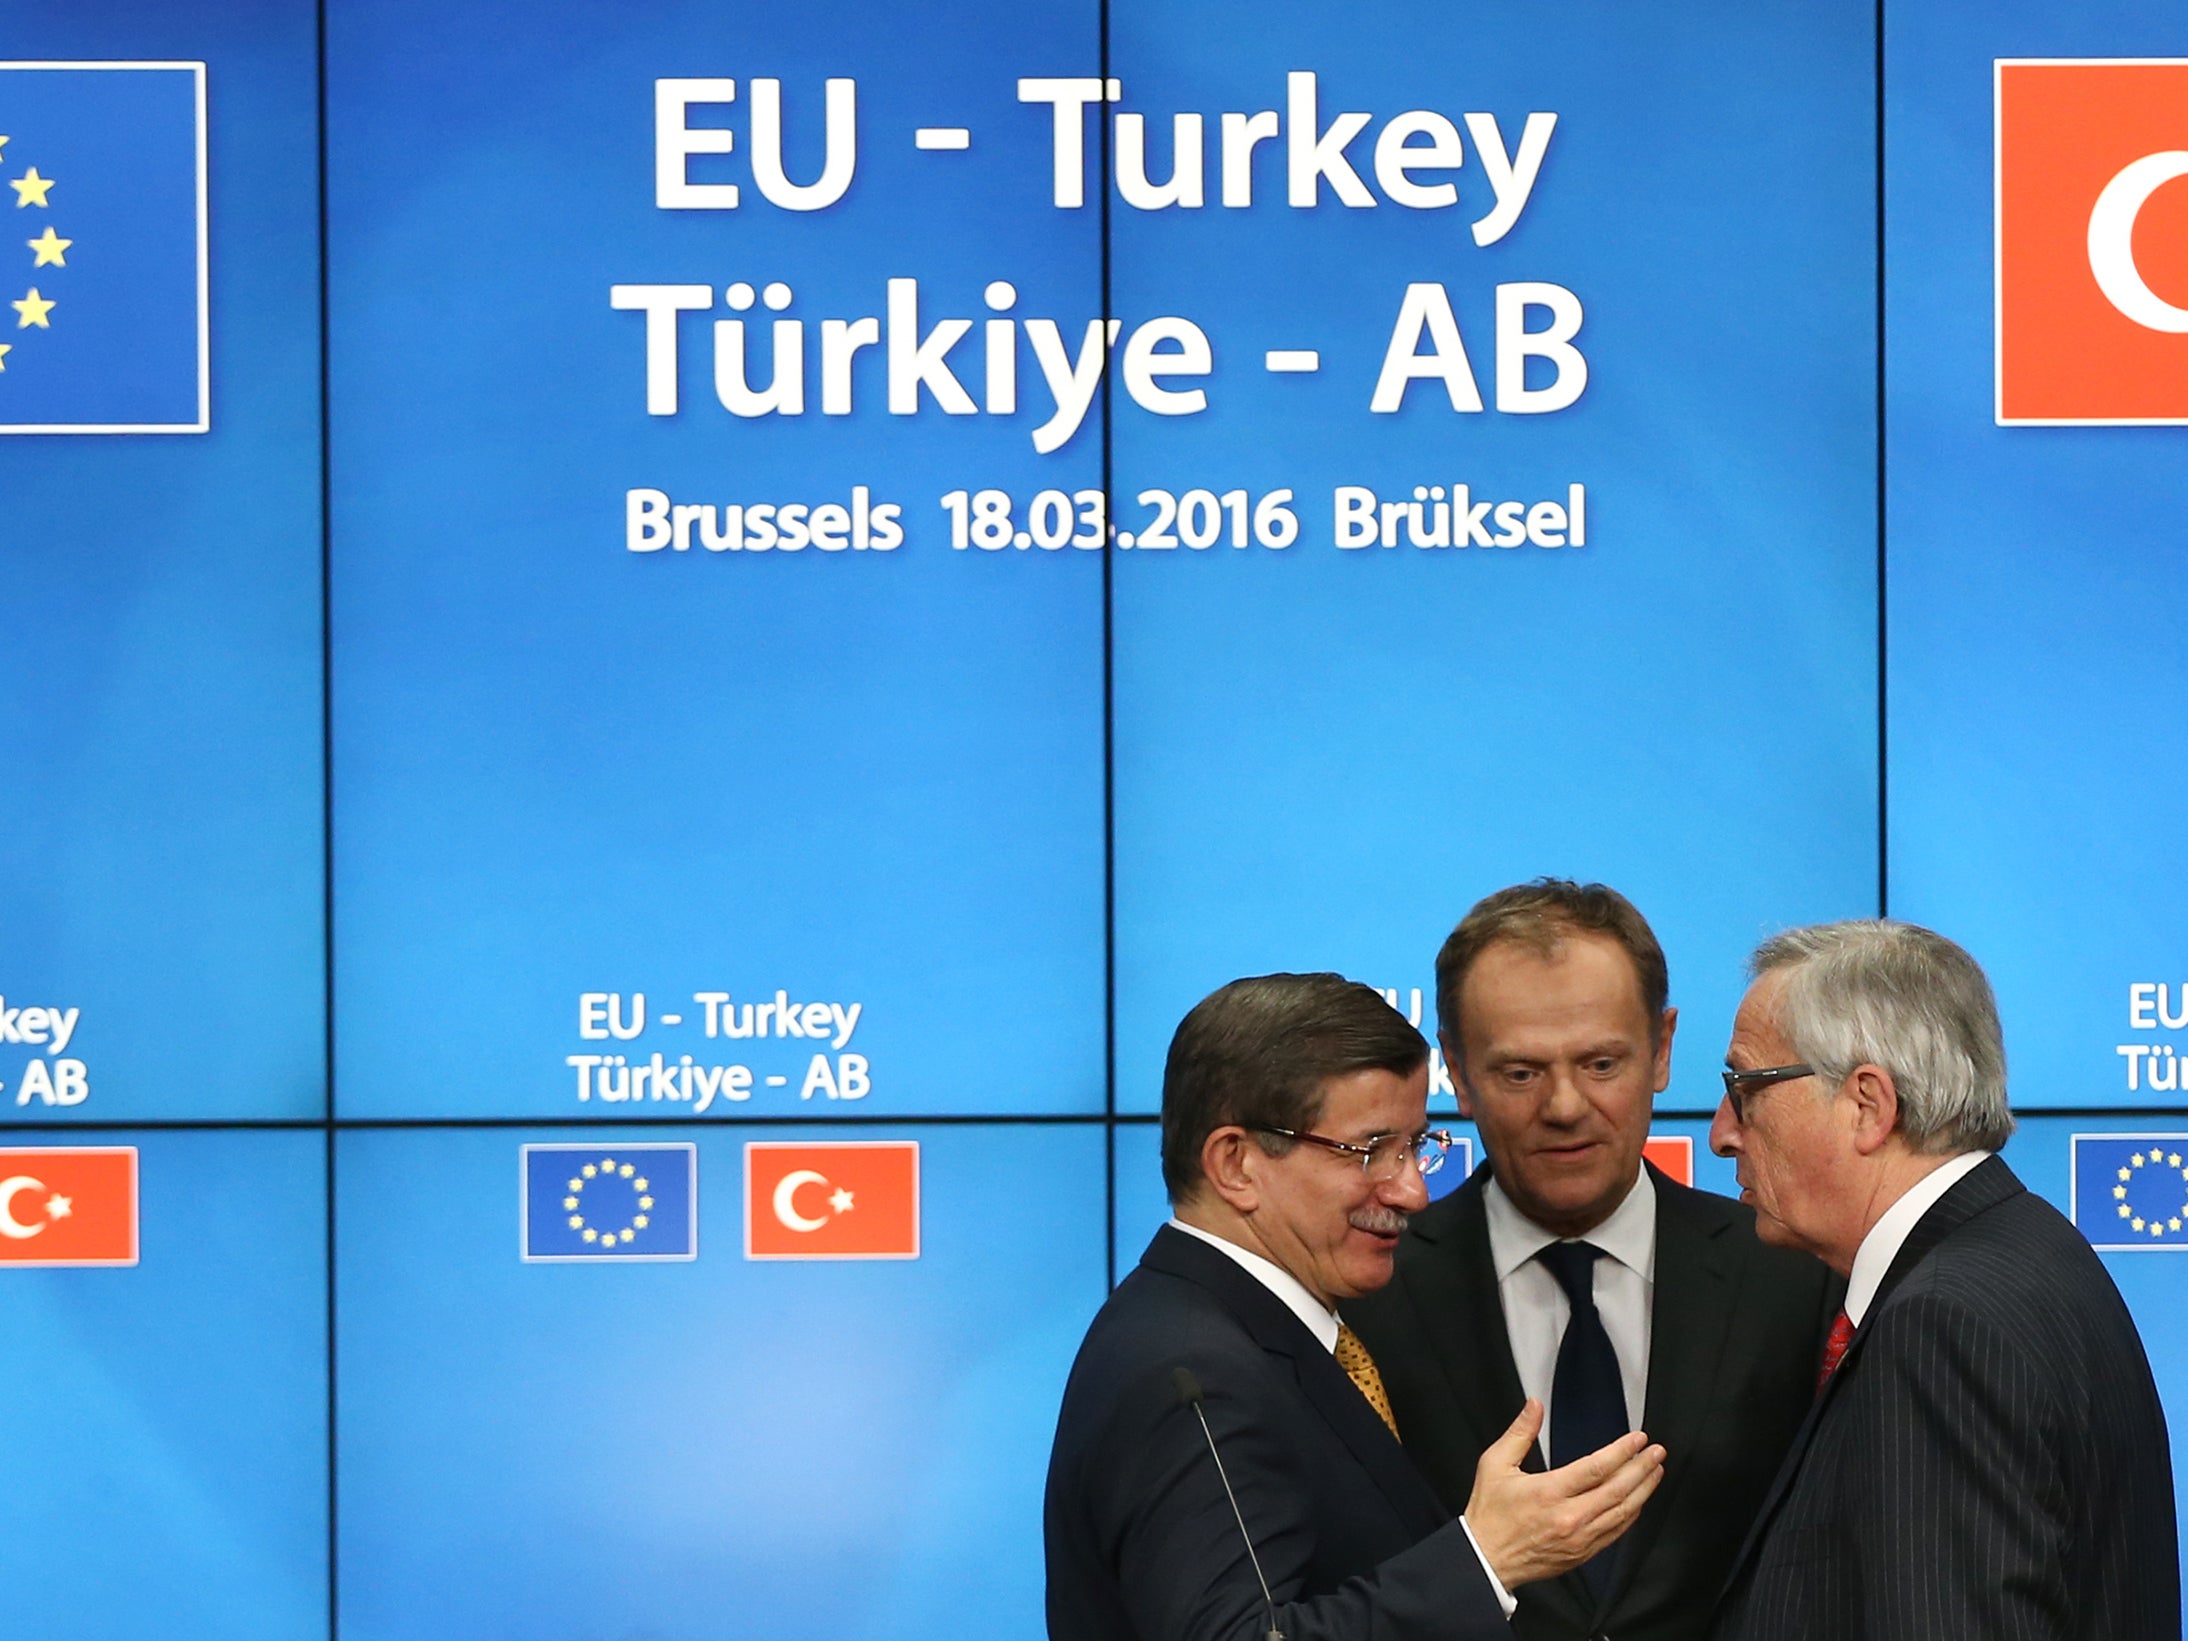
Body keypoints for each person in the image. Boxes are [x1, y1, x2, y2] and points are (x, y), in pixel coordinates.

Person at [1045, 972, 1666, 1641]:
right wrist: (1485, 1558)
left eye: (1415, 1147)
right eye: (1370, 1151)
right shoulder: (1192, 1371)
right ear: (1236, 1163)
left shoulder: (1263, 1332)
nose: (1411, 1192)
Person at [1346, 881, 1838, 1641]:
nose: (1566, 1105)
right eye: (1520, 1072)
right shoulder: (1370, 1293)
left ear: (1664, 1049)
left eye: (1602, 1062)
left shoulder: (1794, 1274)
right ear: (1459, 1073)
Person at [1711, 920, 2179, 1641]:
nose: (1722, 1131)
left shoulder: (1943, 1323)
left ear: (1868, 1104)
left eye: (1744, 1087)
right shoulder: (2033, 1249)